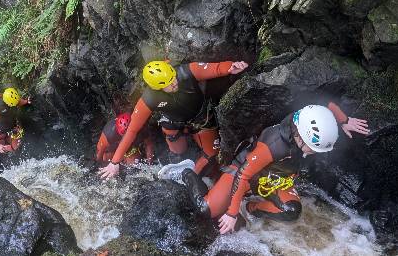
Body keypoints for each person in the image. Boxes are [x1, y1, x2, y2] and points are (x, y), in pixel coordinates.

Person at [182, 103, 370, 234]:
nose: (315, 152)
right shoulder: (274, 145)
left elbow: (328, 107)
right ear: (301, 137)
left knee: (290, 210)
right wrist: (231, 213)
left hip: (275, 177)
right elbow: (243, 174)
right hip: (245, 173)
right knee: (206, 209)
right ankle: (187, 173)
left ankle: (251, 208)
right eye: (314, 149)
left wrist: (344, 121)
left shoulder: (308, 117)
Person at [99, 60, 249, 180]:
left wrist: (231, 66)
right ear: (157, 88)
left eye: (173, 78)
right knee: (179, 153)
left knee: (211, 155)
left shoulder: (185, 72)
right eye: (168, 84)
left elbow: (215, 68)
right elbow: (132, 130)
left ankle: (188, 177)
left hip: (199, 118)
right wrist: (115, 162)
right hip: (173, 123)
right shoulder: (150, 98)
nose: (174, 83)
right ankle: (176, 167)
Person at [0, 87, 31, 154]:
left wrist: (26, 101)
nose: (16, 104)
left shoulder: (12, 99)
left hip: (12, 127)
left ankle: (12, 147)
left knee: (16, 147)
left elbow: (18, 102)